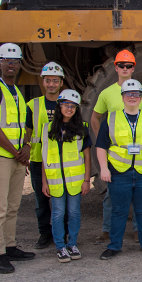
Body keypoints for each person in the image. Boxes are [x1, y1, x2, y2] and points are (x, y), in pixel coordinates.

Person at [90, 50, 142, 245]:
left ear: (133, 68)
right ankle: (107, 231)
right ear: (116, 67)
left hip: (139, 159)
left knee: (140, 199)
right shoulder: (106, 93)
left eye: (128, 66)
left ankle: (139, 232)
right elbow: (95, 117)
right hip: (118, 157)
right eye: (121, 65)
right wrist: (102, 141)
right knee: (112, 197)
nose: (125, 69)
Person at [0, 43, 35, 274]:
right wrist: (16, 152)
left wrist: (27, 147)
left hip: (17, 158)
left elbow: (25, 125)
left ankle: (9, 246)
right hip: (2, 157)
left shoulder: (18, 93)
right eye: (7, 61)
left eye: (15, 61)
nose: (11, 65)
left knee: (13, 206)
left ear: (20, 64)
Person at [96, 79, 142, 260]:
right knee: (119, 210)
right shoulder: (111, 119)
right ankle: (114, 246)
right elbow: (101, 146)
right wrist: (103, 168)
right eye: (129, 94)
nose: (132, 97)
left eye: (136, 94)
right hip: (119, 172)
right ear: (122, 97)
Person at [40, 90, 91, 263]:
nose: (69, 109)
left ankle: (73, 243)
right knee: (58, 213)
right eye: (66, 105)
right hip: (55, 180)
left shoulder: (81, 128)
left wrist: (86, 180)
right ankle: (60, 246)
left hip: (75, 181)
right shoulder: (47, 128)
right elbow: (44, 157)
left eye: (73, 106)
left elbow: (87, 156)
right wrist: (44, 181)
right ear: (59, 106)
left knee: (74, 212)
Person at [24, 61, 65, 249]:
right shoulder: (33, 105)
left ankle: (62, 233)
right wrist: (25, 151)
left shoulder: (67, 104)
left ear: (61, 83)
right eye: (48, 80)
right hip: (38, 160)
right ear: (42, 82)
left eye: (55, 81)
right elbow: (28, 131)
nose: (51, 84)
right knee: (41, 201)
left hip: (62, 162)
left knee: (62, 200)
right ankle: (44, 233)